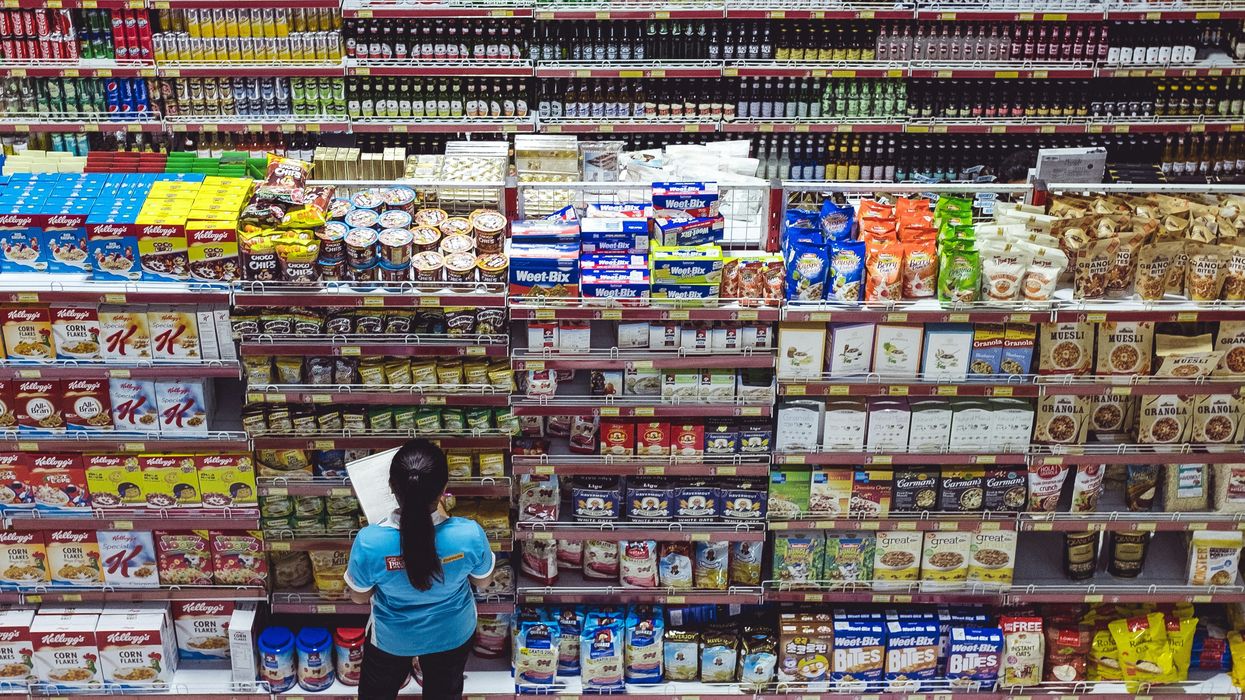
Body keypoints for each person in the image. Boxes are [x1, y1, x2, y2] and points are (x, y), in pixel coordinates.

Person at [345, 439, 495, 699]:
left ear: (392, 488)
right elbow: (483, 582)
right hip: (452, 633)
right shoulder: (468, 534)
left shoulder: (370, 541)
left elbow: (359, 596)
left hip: (392, 639)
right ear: (444, 488)